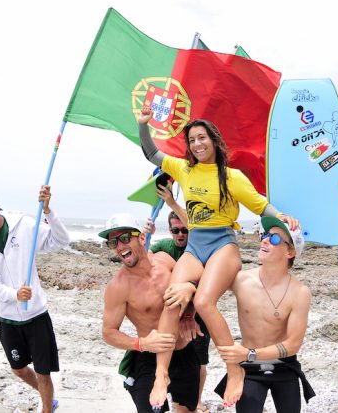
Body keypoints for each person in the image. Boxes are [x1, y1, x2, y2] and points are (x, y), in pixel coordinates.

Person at [137, 107, 299, 408]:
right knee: (172, 299)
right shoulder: (184, 169)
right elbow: (151, 154)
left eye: (203, 138)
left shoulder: (232, 177)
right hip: (196, 244)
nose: (198, 144)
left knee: (202, 302)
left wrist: (283, 217)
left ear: (214, 140)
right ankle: (161, 374)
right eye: (193, 139)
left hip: (223, 243)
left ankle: (234, 370)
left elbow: (261, 207)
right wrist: (143, 125)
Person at [0, 186, 69, 413]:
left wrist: (48, 211)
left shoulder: (24, 225)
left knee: (44, 373)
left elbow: (61, 240)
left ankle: (47, 408)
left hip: (36, 316)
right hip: (8, 318)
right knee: (19, 369)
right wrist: (14, 295)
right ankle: (49, 398)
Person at [100, 213, 200, 413]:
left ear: (142, 238)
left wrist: (189, 314)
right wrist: (141, 343)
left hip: (183, 350)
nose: (119, 247)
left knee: (187, 409)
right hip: (149, 356)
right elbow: (108, 332)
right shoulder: (118, 287)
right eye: (113, 243)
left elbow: (195, 281)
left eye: (125, 238)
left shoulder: (165, 261)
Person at [214, 216, 314, 412]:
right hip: (249, 370)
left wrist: (249, 354)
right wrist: (187, 287)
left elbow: (293, 344)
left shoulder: (300, 293)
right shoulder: (240, 280)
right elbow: (206, 291)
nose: (265, 240)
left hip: (284, 366)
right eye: (265, 235)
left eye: (275, 239)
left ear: (291, 252)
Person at [146, 208, 212, 413]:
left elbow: (210, 282)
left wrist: (189, 314)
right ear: (170, 231)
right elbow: (144, 259)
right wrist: (145, 237)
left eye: (184, 230)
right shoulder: (165, 247)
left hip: (199, 311)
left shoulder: (200, 249)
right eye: (176, 231)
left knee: (200, 360)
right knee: (171, 352)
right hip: (173, 310)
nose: (181, 234)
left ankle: (197, 400)